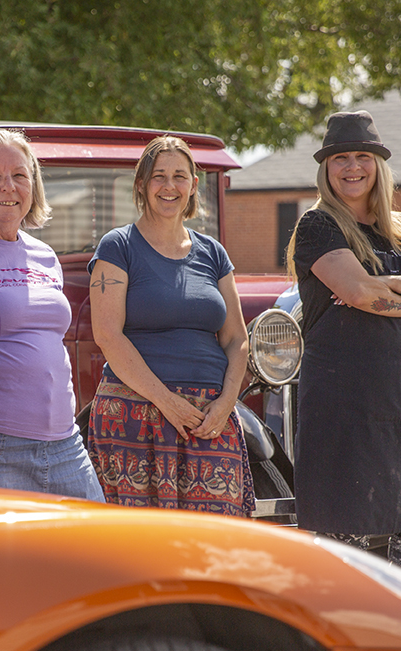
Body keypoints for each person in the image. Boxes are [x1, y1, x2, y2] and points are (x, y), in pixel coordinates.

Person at [286, 110, 401, 580]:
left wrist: (380, 288)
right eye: (340, 157)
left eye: (362, 156)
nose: (351, 167)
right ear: (326, 168)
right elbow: (359, 293)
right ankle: (346, 650)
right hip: (341, 403)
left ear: (378, 164)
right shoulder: (317, 225)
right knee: (345, 547)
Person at [86, 135, 254, 517]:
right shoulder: (118, 247)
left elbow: (236, 339)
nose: (169, 186)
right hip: (134, 417)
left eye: (180, 176)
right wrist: (168, 404)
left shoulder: (213, 253)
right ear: (142, 184)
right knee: (138, 547)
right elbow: (107, 336)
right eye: (158, 176)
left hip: (209, 419)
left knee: (214, 544)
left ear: (193, 185)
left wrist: (227, 404)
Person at [0, 129, 104, 501]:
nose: (9, 186)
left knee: (93, 547)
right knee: (5, 560)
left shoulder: (44, 254)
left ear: (33, 186)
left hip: (66, 442)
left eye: (20, 175)